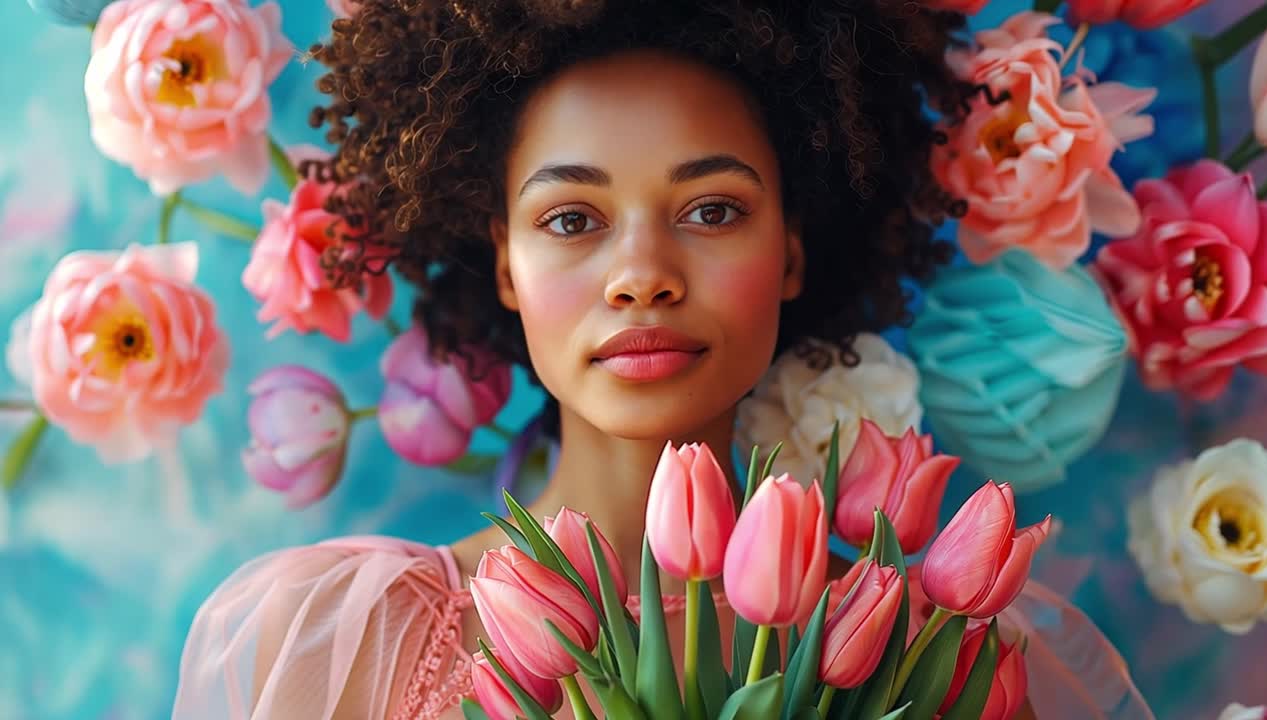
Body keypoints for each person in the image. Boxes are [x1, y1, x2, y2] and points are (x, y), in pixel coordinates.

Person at [172, 1, 1149, 718]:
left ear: (791, 252)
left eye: (711, 210)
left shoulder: (927, 657)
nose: (642, 275)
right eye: (572, 219)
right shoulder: (344, 634)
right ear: (505, 264)